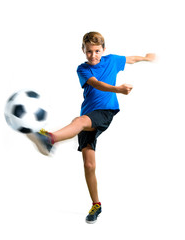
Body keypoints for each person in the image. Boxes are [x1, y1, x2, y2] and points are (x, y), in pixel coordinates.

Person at [27, 32, 155, 224]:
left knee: (78, 122)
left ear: (103, 50)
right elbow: (96, 84)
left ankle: (50, 139)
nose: (93, 55)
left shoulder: (112, 60)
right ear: (83, 51)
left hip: (105, 112)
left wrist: (145, 58)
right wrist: (118, 89)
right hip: (89, 114)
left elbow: (130, 59)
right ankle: (97, 204)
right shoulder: (82, 69)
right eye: (89, 51)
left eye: (96, 51)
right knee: (89, 164)